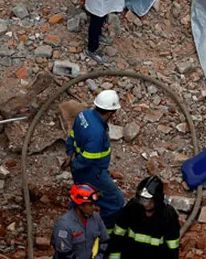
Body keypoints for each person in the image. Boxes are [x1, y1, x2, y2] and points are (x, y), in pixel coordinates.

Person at [64, 90, 125, 231]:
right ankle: (99, 231)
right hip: (92, 172)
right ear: (110, 112)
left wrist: (70, 154)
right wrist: (75, 165)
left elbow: (72, 137)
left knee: (82, 196)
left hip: (82, 168)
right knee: (116, 201)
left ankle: (72, 224)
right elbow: (88, 159)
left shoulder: (83, 115)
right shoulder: (96, 132)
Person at [108, 176, 181, 258]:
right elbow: (117, 237)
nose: (145, 204)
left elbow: (172, 249)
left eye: (148, 201)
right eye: (142, 200)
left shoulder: (167, 215)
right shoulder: (132, 209)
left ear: (157, 200)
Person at [52, 184, 109, 259]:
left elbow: (105, 241)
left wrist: (99, 257)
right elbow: (64, 254)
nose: (94, 207)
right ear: (80, 205)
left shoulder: (96, 218)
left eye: (94, 204)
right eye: (90, 204)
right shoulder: (63, 226)